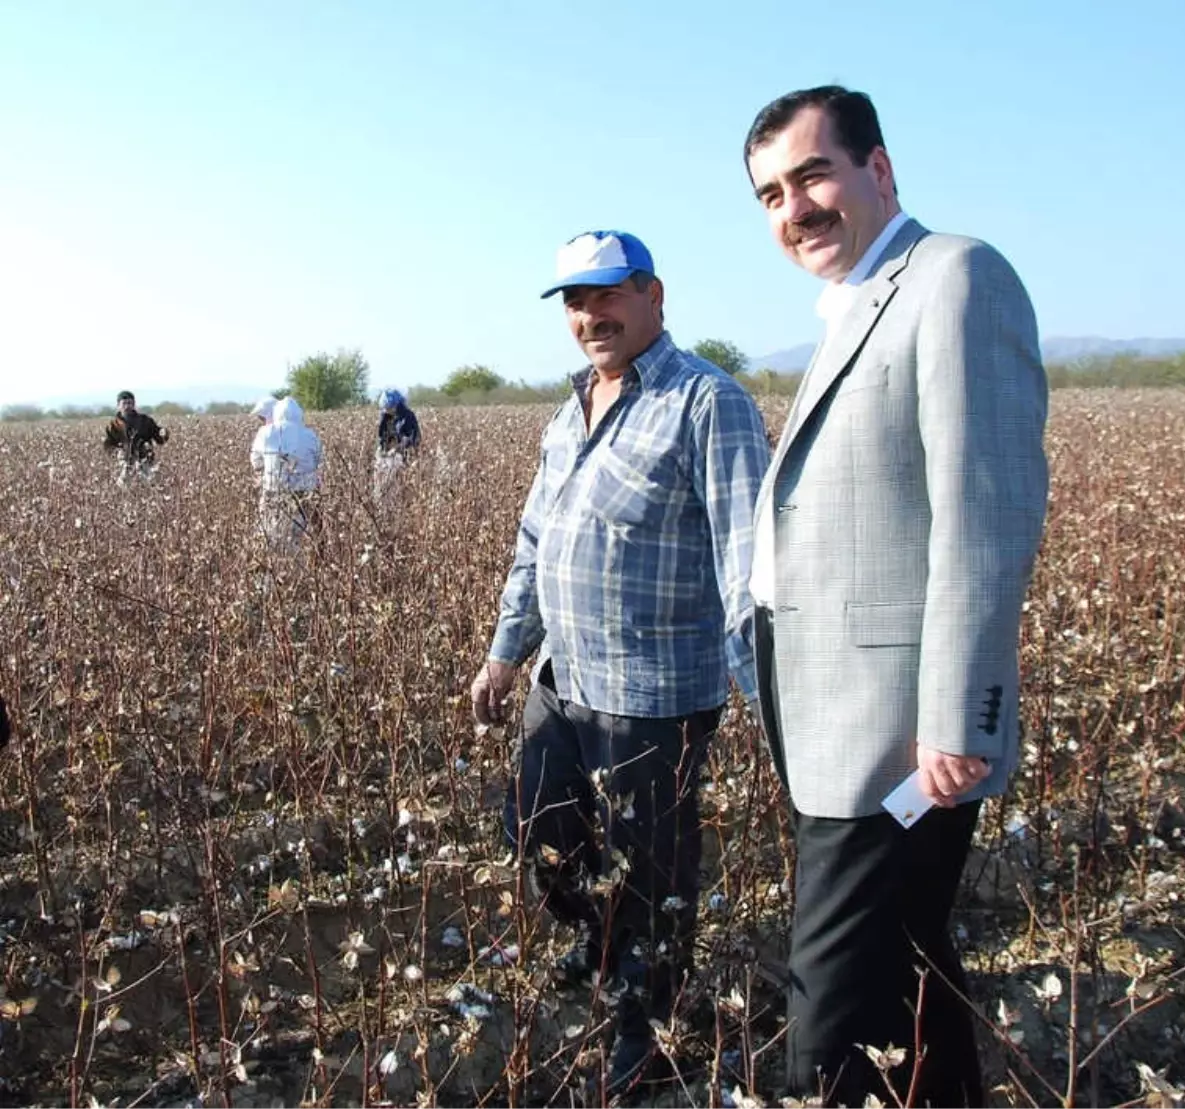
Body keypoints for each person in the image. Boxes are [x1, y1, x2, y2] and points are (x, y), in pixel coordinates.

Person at [743, 85, 1049, 1106]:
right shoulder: (856, 306)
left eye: (813, 173)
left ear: (880, 168)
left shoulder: (955, 277)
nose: (795, 208)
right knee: (908, 970)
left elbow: (984, 509)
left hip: (899, 735)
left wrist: (957, 716)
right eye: (772, 194)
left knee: (828, 1017)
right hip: (839, 722)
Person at [471, 230, 769, 1094]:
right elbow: (535, 544)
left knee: (654, 871)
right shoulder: (570, 412)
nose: (589, 315)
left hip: (655, 697)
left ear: (654, 295)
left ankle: (652, 1022)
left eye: (607, 295)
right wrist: (504, 654)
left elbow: (747, 565)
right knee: (532, 830)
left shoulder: (708, 403)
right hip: (562, 681)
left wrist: (768, 698)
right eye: (574, 301)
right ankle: (602, 944)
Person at [250, 396, 324, 552]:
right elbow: (318, 461)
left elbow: (256, 461)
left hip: (273, 495)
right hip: (305, 496)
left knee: (270, 538)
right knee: (302, 539)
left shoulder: (265, 433)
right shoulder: (310, 435)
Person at [103, 391, 169, 482]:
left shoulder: (145, 421)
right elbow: (108, 445)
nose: (127, 406)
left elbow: (159, 438)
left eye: (130, 403)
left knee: (149, 485)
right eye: (124, 403)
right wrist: (117, 452)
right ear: (118, 405)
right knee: (123, 486)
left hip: (145, 460)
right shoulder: (113, 425)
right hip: (124, 462)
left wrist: (164, 433)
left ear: (134, 404)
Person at [373, 388, 421, 503]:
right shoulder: (385, 416)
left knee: (399, 490)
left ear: (396, 405)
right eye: (385, 407)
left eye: (389, 407)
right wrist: (382, 449)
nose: (387, 410)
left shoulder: (408, 416)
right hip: (386, 459)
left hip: (403, 458)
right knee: (382, 486)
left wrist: (398, 448)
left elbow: (414, 438)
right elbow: (382, 436)